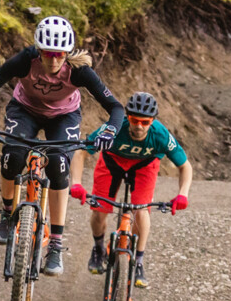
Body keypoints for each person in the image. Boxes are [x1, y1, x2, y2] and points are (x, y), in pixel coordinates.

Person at [0, 16, 124, 276]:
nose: (53, 61)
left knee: (60, 165)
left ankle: (56, 245)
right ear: (39, 51)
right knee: (13, 154)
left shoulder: (79, 70)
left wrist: (110, 130)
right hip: (24, 110)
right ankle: (6, 214)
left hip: (64, 116)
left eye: (59, 55)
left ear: (67, 52)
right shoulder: (25, 60)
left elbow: (115, 107)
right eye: (48, 54)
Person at [69, 91, 192, 288]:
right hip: (111, 162)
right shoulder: (114, 127)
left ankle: (139, 261)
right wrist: (76, 183)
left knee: (141, 210)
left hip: (144, 166)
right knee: (100, 209)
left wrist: (183, 194)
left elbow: (185, 166)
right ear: (127, 116)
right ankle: (98, 247)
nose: (139, 126)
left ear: (152, 121)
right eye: (135, 120)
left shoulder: (160, 134)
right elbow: (82, 151)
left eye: (145, 122)